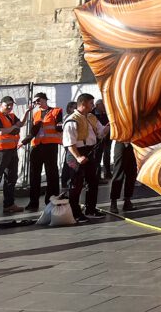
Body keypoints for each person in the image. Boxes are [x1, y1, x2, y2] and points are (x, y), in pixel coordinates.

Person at [62, 92, 108, 223]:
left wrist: (110, 126)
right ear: (83, 104)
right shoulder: (72, 120)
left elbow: (101, 133)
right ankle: (75, 213)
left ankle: (91, 209)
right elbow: (69, 142)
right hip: (76, 152)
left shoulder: (91, 117)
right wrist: (78, 157)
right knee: (76, 184)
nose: (93, 106)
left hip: (89, 151)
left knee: (92, 181)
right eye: (91, 103)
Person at [23, 92, 63, 212]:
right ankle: (33, 202)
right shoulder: (35, 114)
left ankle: (51, 200)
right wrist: (25, 140)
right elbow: (33, 131)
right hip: (37, 146)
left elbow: (59, 125)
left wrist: (59, 126)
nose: (36, 103)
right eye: (35, 101)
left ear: (45, 100)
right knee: (34, 175)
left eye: (38, 100)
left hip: (50, 146)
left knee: (52, 174)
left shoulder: (56, 111)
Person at [0, 96, 25, 219]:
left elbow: (21, 124)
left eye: (11, 105)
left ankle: (9, 205)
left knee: (11, 178)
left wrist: (27, 112)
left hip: (12, 150)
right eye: (7, 104)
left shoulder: (11, 116)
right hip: (0, 152)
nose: (9, 107)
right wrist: (13, 128)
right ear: (1, 104)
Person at [108, 140, 137, 214]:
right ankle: (113, 202)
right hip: (121, 142)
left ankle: (127, 200)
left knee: (131, 174)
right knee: (118, 173)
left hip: (134, 143)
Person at [92, 99, 112, 180]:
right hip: (96, 139)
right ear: (97, 105)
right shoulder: (91, 114)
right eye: (103, 105)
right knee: (97, 157)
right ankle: (97, 176)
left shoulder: (106, 114)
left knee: (107, 155)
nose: (105, 106)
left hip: (107, 138)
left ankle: (108, 173)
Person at [60, 100, 77, 189]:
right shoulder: (67, 117)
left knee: (70, 163)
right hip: (68, 143)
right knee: (68, 163)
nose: (76, 109)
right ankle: (66, 181)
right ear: (70, 108)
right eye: (74, 107)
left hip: (73, 142)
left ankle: (70, 181)